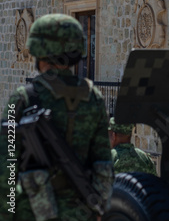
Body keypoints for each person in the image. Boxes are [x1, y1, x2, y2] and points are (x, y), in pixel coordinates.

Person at [0, 13, 113, 221]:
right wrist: (98, 208)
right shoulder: (94, 98)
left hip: (31, 212)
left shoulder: (23, 98)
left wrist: (6, 214)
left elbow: (6, 167)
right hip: (80, 212)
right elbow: (104, 165)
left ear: (38, 50)